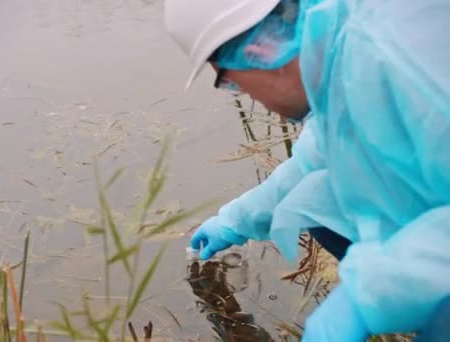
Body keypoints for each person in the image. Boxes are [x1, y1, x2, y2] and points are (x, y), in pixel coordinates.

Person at [164, 0, 450, 341]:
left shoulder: (396, 59)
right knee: (319, 207)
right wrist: (235, 220)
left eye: (233, 84)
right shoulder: (340, 54)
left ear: (259, 52)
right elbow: (313, 167)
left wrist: (367, 295)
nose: (248, 97)